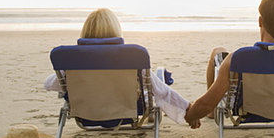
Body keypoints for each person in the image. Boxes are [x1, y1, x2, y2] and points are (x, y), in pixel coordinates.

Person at [44, 8, 200, 127]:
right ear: (116, 30)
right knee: (157, 80)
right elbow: (162, 91)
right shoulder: (131, 56)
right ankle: (151, 115)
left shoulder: (71, 59)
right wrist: (188, 109)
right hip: (126, 111)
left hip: (87, 113)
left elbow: (49, 84)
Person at [184, 0, 274, 128]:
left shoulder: (237, 59)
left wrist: (191, 114)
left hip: (246, 105)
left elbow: (206, 104)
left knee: (217, 52)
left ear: (260, 21)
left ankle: (213, 113)